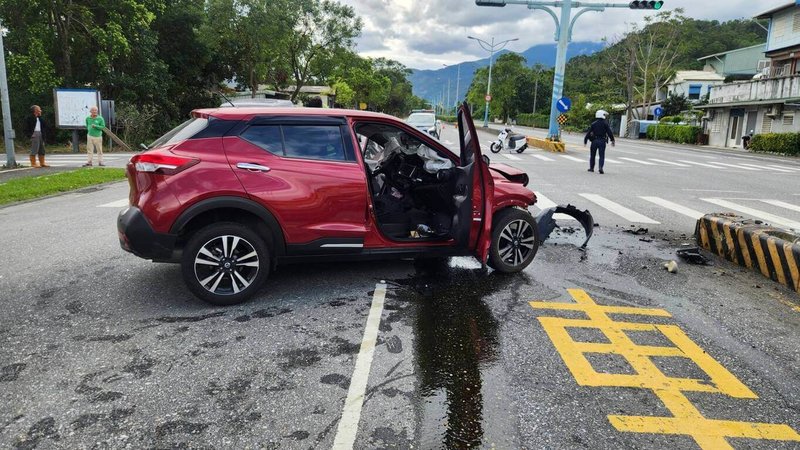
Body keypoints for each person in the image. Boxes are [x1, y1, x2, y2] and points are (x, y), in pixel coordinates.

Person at [583, 110, 615, 174]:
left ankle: (591, 168)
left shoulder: (593, 123)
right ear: (602, 115)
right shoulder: (605, 123)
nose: (605, 116)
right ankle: (600, 168)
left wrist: (585, 140)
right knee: (601, 155)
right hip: (602, 141)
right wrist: (612, 140)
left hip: (594, 141)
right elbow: (609, 132)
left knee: (592, 155)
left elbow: (588, 133)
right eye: (604, 114)